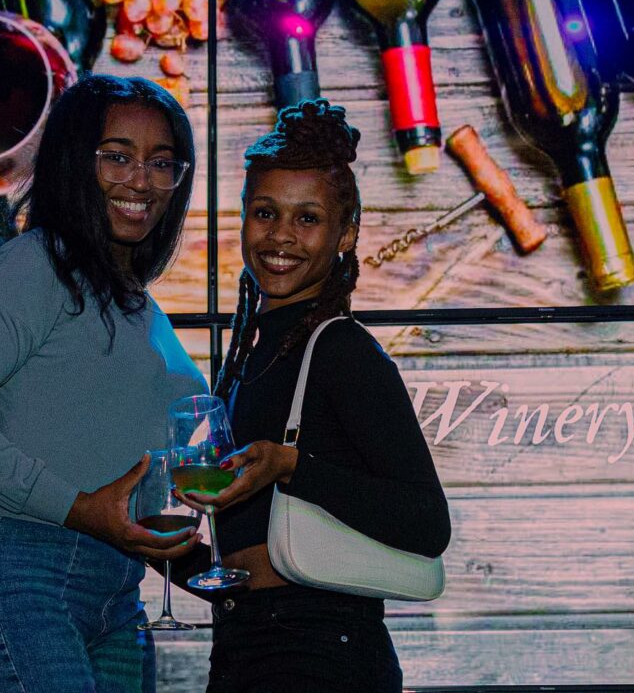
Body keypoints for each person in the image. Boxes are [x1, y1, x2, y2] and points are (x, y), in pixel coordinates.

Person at [0, 74, 208, 693]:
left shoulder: (138, 304)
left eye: (161, 162)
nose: (141, 179)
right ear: (71, 162)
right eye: (117, 156)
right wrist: (76, 507)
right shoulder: (37, 266)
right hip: (13, 571)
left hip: (118, 596)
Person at [175, 99, 452, 692]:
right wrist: (153, 543)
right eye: (264, 213)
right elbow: (246, 562)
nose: (280, 237)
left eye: (308, 219)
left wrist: (292, 465)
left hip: (321, 649)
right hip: (245, 641)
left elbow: (428, 523)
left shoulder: (342, 350)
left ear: (346, 232)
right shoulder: (248, 357)